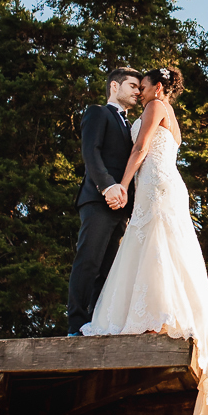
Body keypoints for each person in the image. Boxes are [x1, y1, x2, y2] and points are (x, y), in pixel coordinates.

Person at [80, 66, 208, 415]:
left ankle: (160, 316)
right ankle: (155, 313)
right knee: (155, 246)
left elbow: (141, 149)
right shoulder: (168, 113)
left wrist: (121, 182)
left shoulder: (156, 107)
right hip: (157, 186)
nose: (140, 91)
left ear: (158, 86)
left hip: (156, 185)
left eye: (145, 85)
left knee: (157, 245)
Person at [66, 66, 142, 337]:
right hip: (98, 200)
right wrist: (107, 186)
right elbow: (91, 152)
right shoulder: (97, 112)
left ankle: (96, 325)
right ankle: (76, 324)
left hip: (121, 207)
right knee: (88, 260)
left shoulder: (130, 125)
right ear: (114, 86)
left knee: (109, 269)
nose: (137, 91)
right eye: (132, 86)